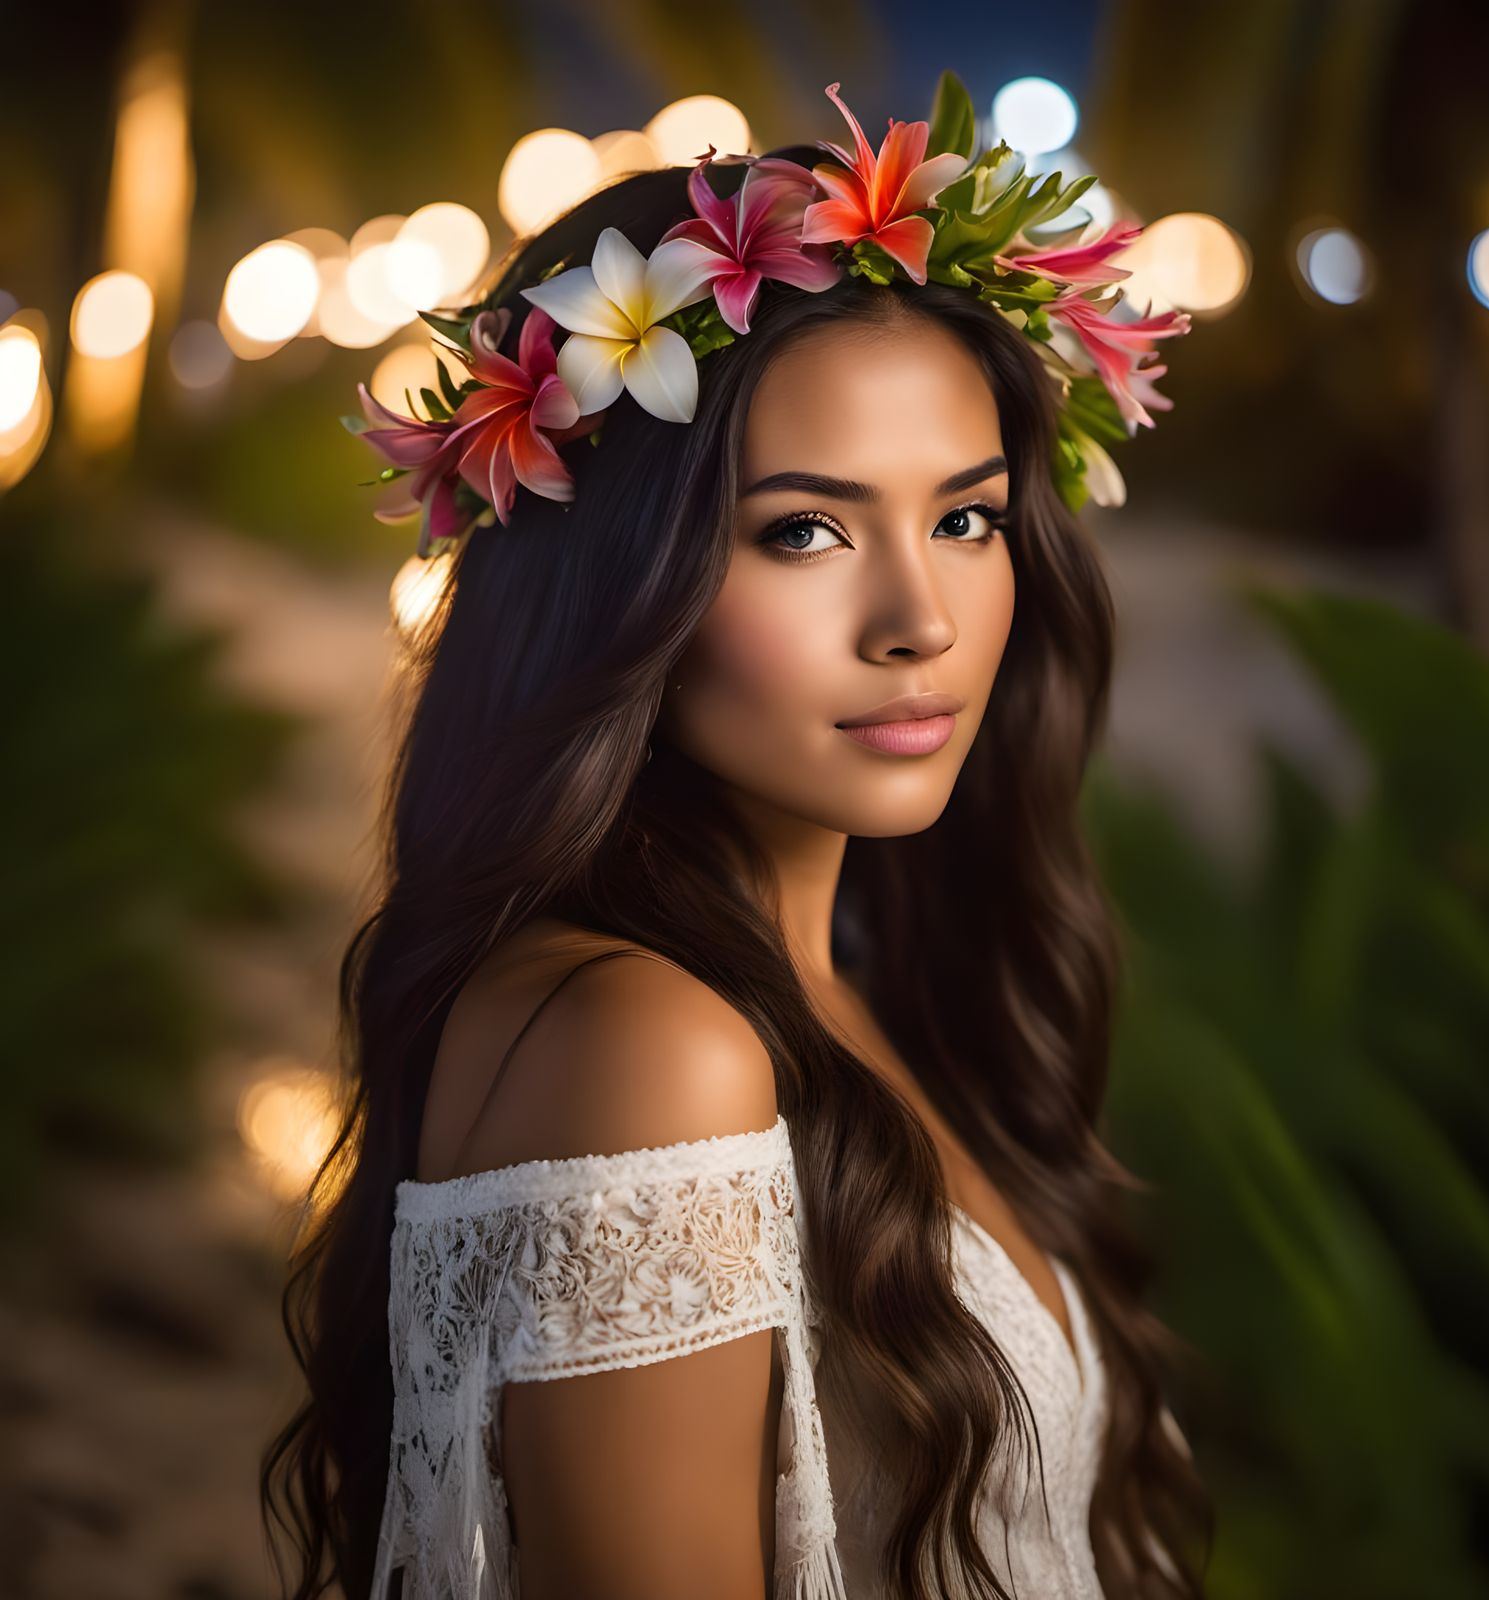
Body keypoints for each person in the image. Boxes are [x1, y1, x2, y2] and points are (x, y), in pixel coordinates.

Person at [262, 76, 1211, 1600]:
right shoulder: (648, 1045)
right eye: (805, 531)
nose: (919, 622)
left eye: (964, 519)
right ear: (619, 575)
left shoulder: (840, 982)